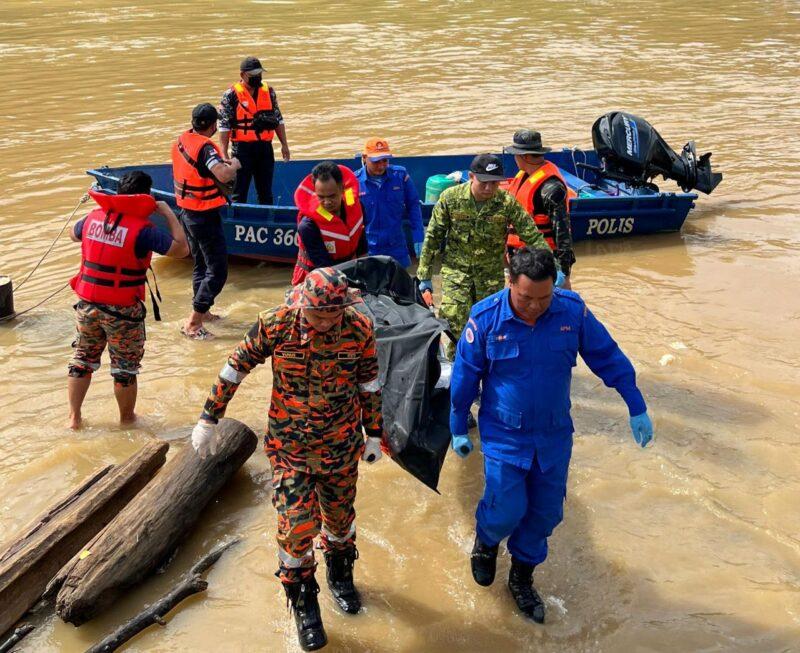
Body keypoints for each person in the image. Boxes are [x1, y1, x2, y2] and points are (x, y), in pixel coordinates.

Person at [449, 247, 654, 624]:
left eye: (544, 298)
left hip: (554, 434)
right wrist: (458, 425)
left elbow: (606, 355)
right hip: (505, 434)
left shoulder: (571, 312)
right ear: (510, 282)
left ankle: (522, 578)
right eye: (526, 298)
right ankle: (487, 542)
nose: (535, 307)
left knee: (545, 514)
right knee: (506, 508)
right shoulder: (485, 319)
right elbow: (465, 375)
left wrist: (635, 402)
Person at [190, 267, 384, 652]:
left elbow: (369, 382)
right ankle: (305, 604)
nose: (327, 323)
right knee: (296, 530)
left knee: (341, 523)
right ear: (303, 306)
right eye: (318, 315)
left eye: (334, 315)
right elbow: (235, 367)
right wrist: (209, 417)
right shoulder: (276, 324)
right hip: (291, 449)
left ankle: (341, 577)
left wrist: (375, 432)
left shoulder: (359, 327)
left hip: (341, 446)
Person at [67, 171, 189, 429]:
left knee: (82, 360)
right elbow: (182, 249)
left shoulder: (93, 218)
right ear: (146, 197)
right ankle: (127, 420)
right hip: (122, 310)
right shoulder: (143, 230)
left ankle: (74, 418)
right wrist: (167, 213)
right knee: (124, 370)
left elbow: (72, 233)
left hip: (87, 304)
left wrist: (104, 207)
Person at [416, 153, 552, 358]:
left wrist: (552, 267)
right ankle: (457, 373)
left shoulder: (506, 203)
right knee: (455, 326)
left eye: (495, 183)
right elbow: (433, 236)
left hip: (489, 276)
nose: (489, 188)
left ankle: (488, 373)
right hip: (456, 274)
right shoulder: (450, 199)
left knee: (492, 328)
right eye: (484, 182)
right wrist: (424, 275)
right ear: (471, 176)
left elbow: (531, 234)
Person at [172, 103, 241, 339]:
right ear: (212, 126)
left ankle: (204, 312)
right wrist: (234, 165)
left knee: (201, 264)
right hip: (203, 215)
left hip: (187, 212)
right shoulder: (205, 148)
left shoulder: (183, 139)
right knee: (217, 270)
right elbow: (222, 174)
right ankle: (193, 322)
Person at [503, 130, 576, 287]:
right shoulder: (523, 175)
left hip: (542, 263)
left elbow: (562, 232)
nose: (514, 158)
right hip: (519, 259)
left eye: (515, 154)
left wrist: (564, 272)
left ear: (525, 156)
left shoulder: (551, 188)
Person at [218, 56, 290, 205]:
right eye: (253, 76)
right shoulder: (230, 95)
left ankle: (266, 222)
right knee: (239, 191)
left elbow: (278, 119)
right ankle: (238, 223)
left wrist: (284, 144)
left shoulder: (269, 92)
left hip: (265, 148)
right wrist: (224, 154)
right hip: (241, 150)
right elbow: (224, 126)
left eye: (259, 75)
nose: (257, 78)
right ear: (242, 75)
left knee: (265, 192)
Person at [291, 161, 367, 285]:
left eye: (332, 196)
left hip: (350, 269)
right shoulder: (308, 226)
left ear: (342, 189)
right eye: (321, 197)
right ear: (315, 192)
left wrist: (366, 272)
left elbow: (361, 240)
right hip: (318, 278)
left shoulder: (357, 207)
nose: (327, 202)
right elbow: (324, 268)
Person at [354, 138, 424, 268]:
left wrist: (418, 234)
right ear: (364, 158)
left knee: (401, 284)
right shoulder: (354, 182)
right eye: (376, 162)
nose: (381, 166)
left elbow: (413, 204)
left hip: (397, 246)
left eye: (385, 160)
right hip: (370, 248)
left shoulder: (400, 176)